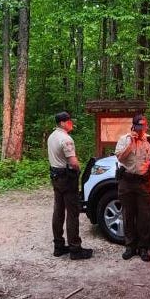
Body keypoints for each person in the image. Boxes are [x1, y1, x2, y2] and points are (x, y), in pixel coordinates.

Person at [114, 113, 150, 262]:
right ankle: (130, 246)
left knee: (144, 216)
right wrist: (131, 143)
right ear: (133, 126)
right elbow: (120, 157)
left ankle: (143, 247)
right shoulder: (124, 139)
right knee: (128, 214)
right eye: (139, 126)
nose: (142, 129)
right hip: (126, 182)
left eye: (144, 126)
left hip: (142, 183)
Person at [47, 111, 92, 260]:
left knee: (58, 210)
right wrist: (78, 169)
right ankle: (75, 249)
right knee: (72, 213)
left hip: (55, 176)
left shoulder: (52, 137)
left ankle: (58, 246)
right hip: (67, 178)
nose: (71, 123)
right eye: (68, 121)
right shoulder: (66, 139)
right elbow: (73, 162)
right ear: (62, 123)